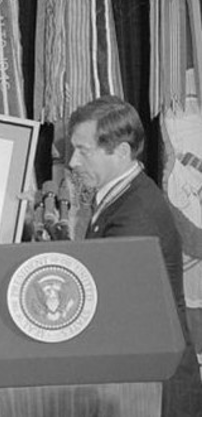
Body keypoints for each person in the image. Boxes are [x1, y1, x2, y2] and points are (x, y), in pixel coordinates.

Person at [66, 96, 201, 416]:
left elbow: (107, 307)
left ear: (122, 152)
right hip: (141, 384)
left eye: (83, 150)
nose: (72, 162)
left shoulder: (137, 214)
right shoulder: (120, 197)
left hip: (154, 393)